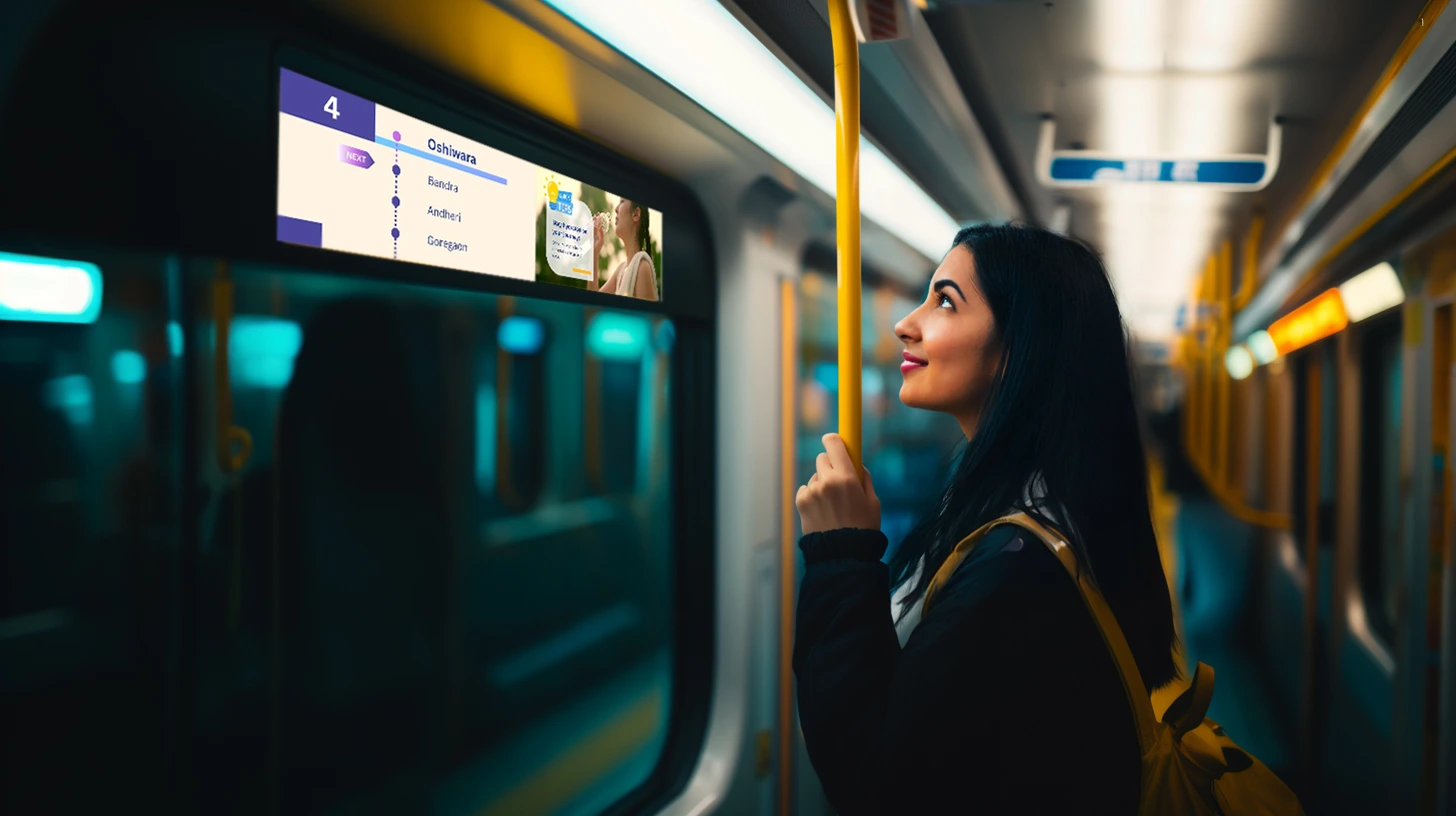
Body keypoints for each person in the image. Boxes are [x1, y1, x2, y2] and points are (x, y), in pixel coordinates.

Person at [792, 223, 1179, 815]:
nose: (906, 323)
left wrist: (840, 555)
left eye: (945, 301)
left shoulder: (1016, 574)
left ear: (1018, 346)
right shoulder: (1038, 512)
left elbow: (877, 784)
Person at [588, 197, 659, 301]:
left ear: (636, 214)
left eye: (622, 202)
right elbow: (593, 301)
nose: (616, 209)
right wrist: (594, 253)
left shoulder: (642, 267)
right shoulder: (621, 271)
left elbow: (646, 317)